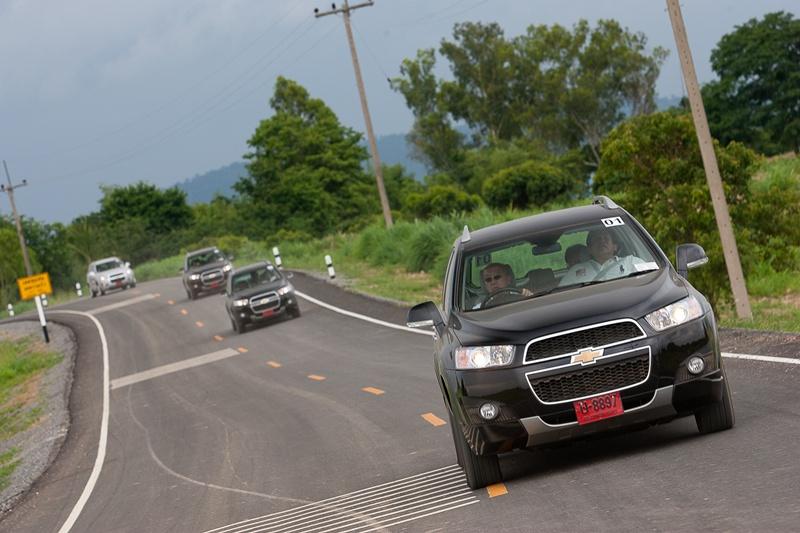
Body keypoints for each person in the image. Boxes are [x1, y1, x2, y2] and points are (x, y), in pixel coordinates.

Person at [558, 228, 647, 286]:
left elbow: (650, 280)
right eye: (597, 239)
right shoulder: (575, 271)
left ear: (615, 246)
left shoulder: (631, 261)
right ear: (589, 249)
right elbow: (561, 296)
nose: (602, 241)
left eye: (606, 238)